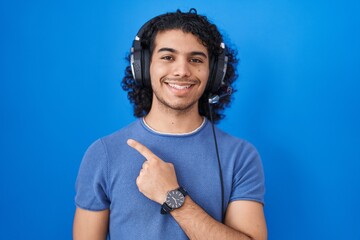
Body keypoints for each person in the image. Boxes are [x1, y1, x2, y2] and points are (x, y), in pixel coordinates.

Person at [73, 9, 267, 240]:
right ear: (143, 67)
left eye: (195, 60)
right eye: (168, 57)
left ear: (214, 73)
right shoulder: (103, 153)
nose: (182, 71)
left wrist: (172, 196)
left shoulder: (240, 156)